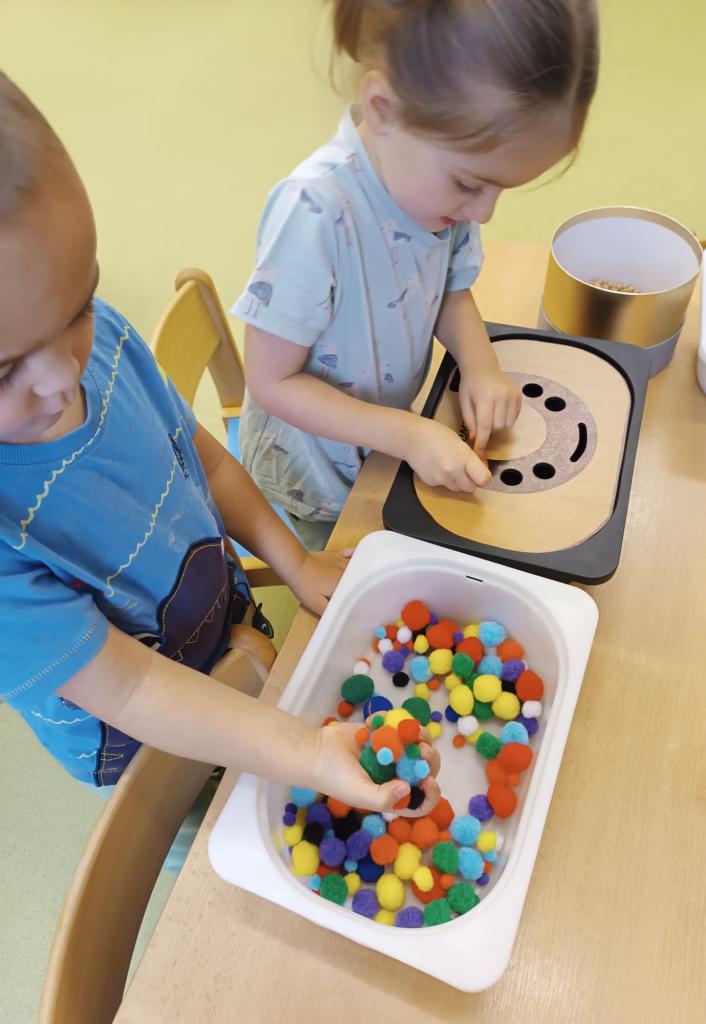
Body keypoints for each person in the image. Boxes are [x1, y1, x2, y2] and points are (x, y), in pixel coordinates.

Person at [0, 72, 439, 816]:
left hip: (227, 618)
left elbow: (202, 457)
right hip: (148, 745)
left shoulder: (102, 343)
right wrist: (306, 750)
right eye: (6, 370)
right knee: (204, 831)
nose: (63, 374)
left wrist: (292, 559)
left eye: (77, 307)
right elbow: (132, 687)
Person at [232, 0, 599, 550]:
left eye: (502, 189)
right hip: (316, 471)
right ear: (382, 109)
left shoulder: (439, 193)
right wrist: (407, 434)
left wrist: (480, 365)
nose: (484, 213)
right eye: (471, 184)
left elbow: (449, 285)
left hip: (389, 441)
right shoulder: (314, 215)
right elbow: (272, 382)